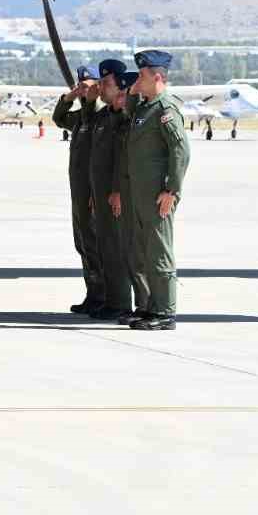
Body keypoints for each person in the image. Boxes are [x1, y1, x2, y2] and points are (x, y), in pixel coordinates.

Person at [124, 49, 192, 331]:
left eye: (142, 75)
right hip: (141, 194)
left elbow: (181, 151)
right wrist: (133, 90)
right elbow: (127, 111)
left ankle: (165, 312)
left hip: (157, 195)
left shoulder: (166, 109)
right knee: (144, 252)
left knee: (159, 251)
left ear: (158, 77)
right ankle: (152, 307)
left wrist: (171, 189)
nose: (137, 79)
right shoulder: (145, 107)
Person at [51, 64, 103, 315]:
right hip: (79, 194)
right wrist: (69, 98)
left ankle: (103, 296)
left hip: (93, 194)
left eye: (89, 85)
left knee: (96, 245)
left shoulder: (101, 116)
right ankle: (92, 294)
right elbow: (59, 118)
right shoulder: (81, 117)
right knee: (83, 244)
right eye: (81, 85)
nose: (85, 89)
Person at [87, 58, 132, 323]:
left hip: (115, 195)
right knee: (106, 249)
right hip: (101, 193)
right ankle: (113, 301)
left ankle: (123, 303)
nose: (101, 87)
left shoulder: (124, 118)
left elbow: (121, 159)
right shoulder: (106, 116)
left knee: (116, 250)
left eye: (106, 83)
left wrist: (116, 190)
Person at [110, 69, 147, 325]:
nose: (122, 99)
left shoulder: (142, 120)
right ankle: (138, 306)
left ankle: (146, 305)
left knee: (141, 254)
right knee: (129, 253)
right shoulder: (124, 121)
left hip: (141, 196)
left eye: (127, 94)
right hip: (125, 194)